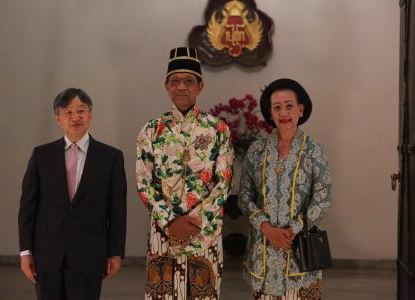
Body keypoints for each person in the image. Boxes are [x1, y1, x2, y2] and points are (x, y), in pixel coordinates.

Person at [136, 47, 234, 299]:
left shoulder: (217, 129)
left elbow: (223, 183)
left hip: (204, 234)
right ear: (166, 86)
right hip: (165, 233)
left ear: (200, 86)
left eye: (189, 81)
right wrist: (171, 221)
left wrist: (195, 221)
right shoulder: (151, 131)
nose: (181, 87)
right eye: (175, 81)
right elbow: (144, 183)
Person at [18, 88, 127, 300]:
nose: (75, 117)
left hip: (90, 254)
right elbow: (27, 208)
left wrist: (115, 252)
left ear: (90, 115)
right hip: (47, 253)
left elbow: (117, 211)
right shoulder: (41, 156)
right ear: (58, 118)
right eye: (68, 112)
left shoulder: (110, 157)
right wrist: (25, 252)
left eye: (81, 111)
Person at [238, 78, 332, 299]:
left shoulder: (314, 150)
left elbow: (323, 197)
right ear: (270, 113)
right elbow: (244, 196)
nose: (284, 112)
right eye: (277, 107)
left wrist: (293, 230)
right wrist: (267, 229)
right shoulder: (257, 150)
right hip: (263, 254)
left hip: (301, 251)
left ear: (301, 109)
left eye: (289, 105)